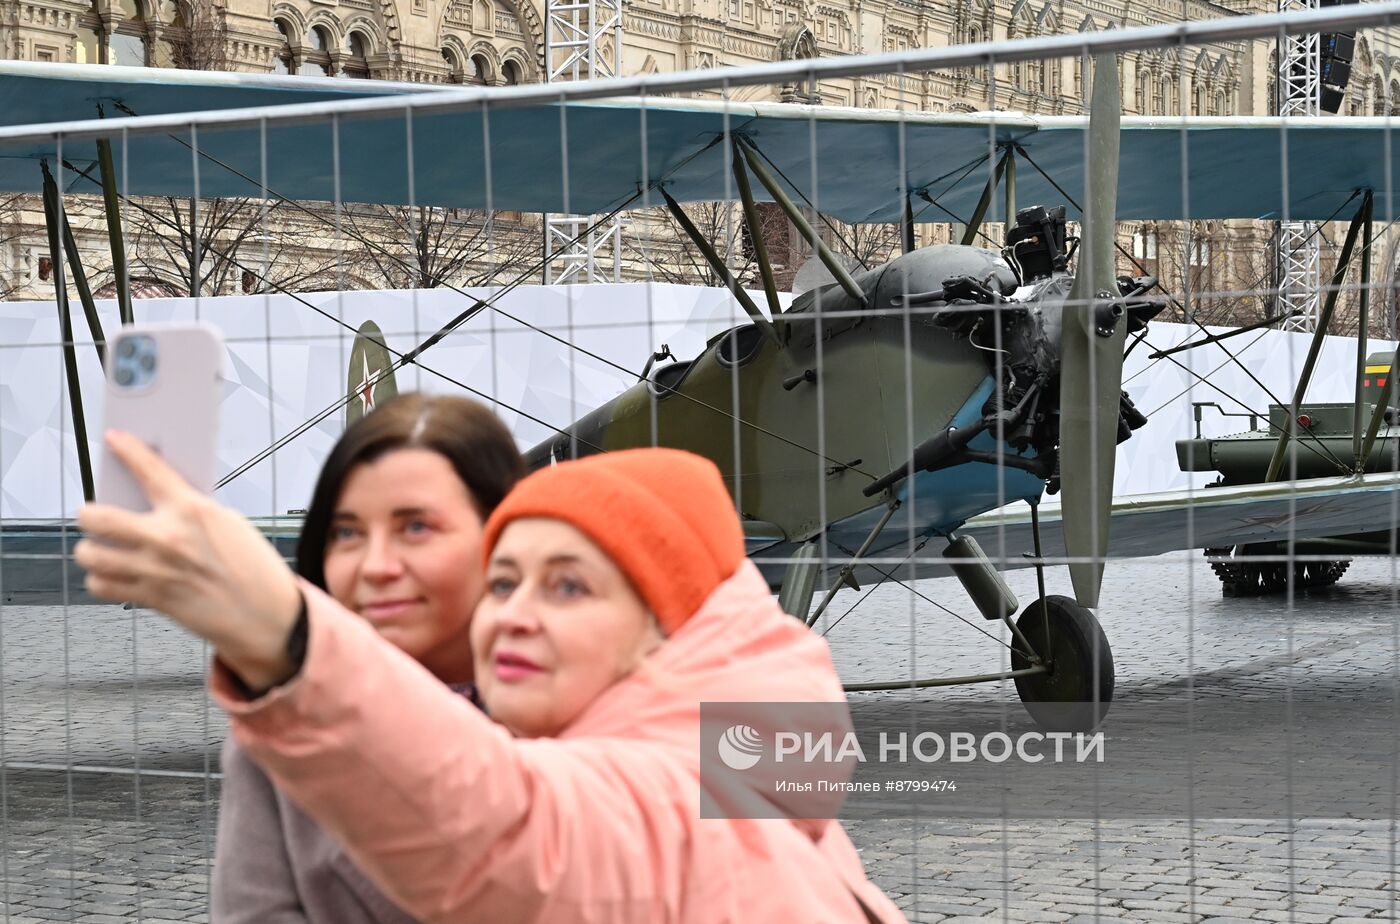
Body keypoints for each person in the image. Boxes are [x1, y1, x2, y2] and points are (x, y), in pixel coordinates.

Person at [75, 443, 906, 923]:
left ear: (665, 625)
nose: (512, 615)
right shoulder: (749, 761)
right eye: (502, 584)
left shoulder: (693, 796)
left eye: (569, 585)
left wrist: (287, 637)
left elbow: (523, 833)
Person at [210, 393, 524, 921]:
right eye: (347, 532)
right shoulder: (273, 733)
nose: (375, 566)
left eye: (416, 527)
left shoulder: (677, 694)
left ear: (503, 535)